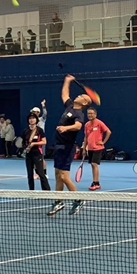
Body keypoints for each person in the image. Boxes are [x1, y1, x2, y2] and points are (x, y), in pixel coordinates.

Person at [48, 75, 90, 216]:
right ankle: (58, 201)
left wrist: (65, 128)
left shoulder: (79, 114)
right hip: (59, 145)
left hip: (67, 147)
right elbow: (65, 94)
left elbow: (78, 126)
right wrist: (67, 81)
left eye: (82, 96)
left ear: (84, 103)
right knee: (58, 175)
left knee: (64, 177)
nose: (79, 95)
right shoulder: (70, 106)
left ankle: (78, 199)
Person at [82, 108, 111, 191]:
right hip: (90, 148)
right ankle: (96, 182)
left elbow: (108, 132)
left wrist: (103, 142)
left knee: (94, 164)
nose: (90, 115)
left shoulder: (99, 123)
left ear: (95, 114)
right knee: (92, 165)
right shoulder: (87, 125)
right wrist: (84, 149)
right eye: (88, 113)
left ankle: (96, 182)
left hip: (98, 148)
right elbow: (86, 137)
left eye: (91, 113)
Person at [22, 112, 50, 191]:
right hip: (28, 155)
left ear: (36, 120)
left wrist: (34, 144)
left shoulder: (40, 130)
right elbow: (23, 143)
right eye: (30, 118)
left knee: (41, 173)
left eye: (33, 118)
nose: (31, 120)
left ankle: (47, 191)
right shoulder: (25, 131)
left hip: (37, 154)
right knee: (30, 174)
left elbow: (44, 142)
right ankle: (31, 191)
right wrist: (26, 148)